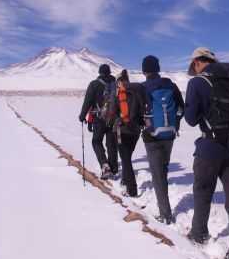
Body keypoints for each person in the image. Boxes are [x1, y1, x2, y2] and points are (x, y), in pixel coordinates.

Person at [184, 47, 229, 259]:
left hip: (210, 147)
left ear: (198, 62)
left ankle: (199, 233)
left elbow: (191, 119)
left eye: (194, 65)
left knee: (202, 191)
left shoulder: (198, 83)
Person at [141, 55, 185, 225]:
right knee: (163, 169)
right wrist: (175, 124)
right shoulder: (171, 85)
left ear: (144, 70)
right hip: (170, 134)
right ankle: (165, 207)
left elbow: (138, 112)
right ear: (158, 68)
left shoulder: (143, 87)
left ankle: (165, 215)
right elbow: (181, 108)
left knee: (157, 175)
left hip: (151, 136)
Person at [79, 64, 118, 180]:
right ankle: (114, 168)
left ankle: (105, 165)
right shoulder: (116, 84)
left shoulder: (94, 84)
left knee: (96, 141)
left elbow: (88, 102)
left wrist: (82, 116)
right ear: (110, 72)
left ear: (99, 72)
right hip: (113, 119)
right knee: (111, 144)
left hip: (98, 119)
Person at [113, 69, 146, 197]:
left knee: (125, 159)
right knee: (127, 156)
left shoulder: (118, 94)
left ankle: (131, 189)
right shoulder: (137, 91)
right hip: (136, 130)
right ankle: (125, 180)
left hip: (122, 130)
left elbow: (113, 111)